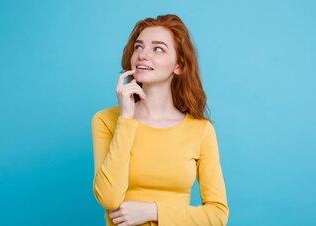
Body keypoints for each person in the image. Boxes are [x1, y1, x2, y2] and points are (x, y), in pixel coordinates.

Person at [91, 14, 228, 226]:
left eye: (158, 49)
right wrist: (126, 119)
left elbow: (218, 215)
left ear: (179, 66)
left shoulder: (201, 130)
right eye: (138, 47)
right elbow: (108, 198)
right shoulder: (106, 120)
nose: (143, 55)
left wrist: (153, 211)